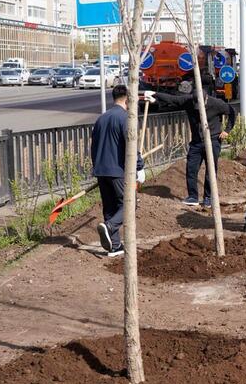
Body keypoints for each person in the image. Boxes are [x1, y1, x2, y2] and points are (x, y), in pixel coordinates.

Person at [145, 81, 235, 207]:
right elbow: (173, 100)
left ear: (206, 99)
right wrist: (155, 94)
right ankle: (193, 197)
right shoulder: (189, 101)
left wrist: (227, 130)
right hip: (196, 142)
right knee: (191, 169)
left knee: (211, 169)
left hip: (213, 140)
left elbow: (232, 112)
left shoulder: (216, 104)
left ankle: (208, 197)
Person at [91, 85, 145, 257]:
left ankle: (114, 246)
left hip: (101, 170)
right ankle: (110, 227)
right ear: (128, 99)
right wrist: (139, 167)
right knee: (130, 203)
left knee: (110, 207)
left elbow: (93, 146)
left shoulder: (101, 118)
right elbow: (131, 146)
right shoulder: (127, 118)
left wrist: (97, 166)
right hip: (118, 170)